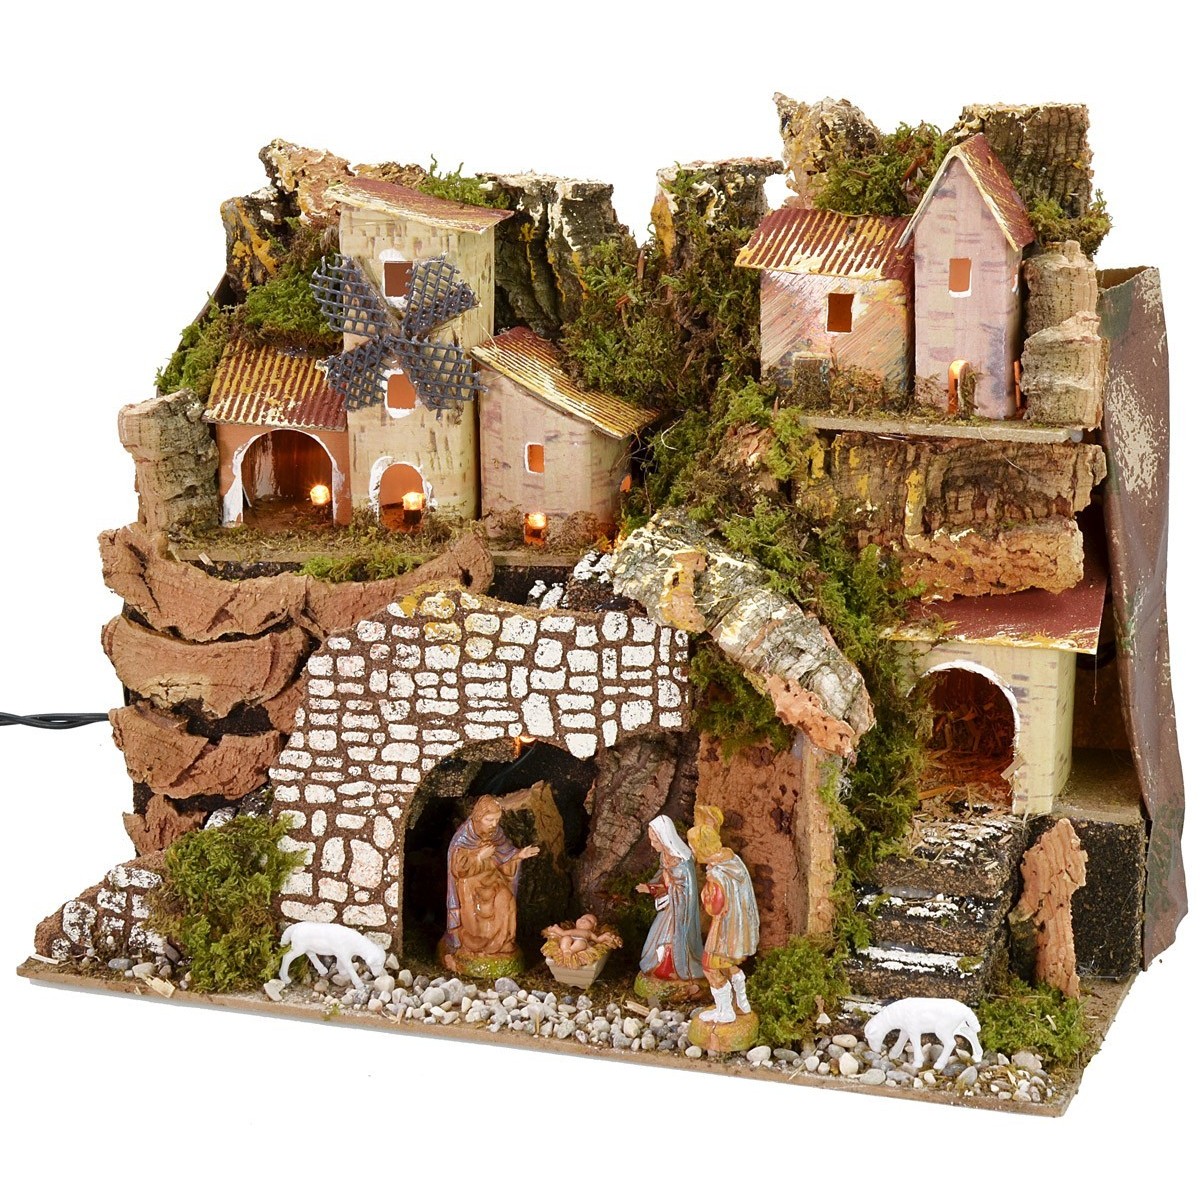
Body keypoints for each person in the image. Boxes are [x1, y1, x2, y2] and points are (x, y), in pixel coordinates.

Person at [442, 796, 539, 970]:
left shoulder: (496, 833)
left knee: (507, 899)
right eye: (489, 820)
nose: (494, 824)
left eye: (496, 820)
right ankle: (475, 943)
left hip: (493, 879)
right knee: (474, 910)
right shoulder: (463, 837)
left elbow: (505, 854)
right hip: (470, 884)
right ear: (478, 817)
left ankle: (502, 943)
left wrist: (519, 855)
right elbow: (458, 870)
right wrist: (479, 857)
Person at [687, 806, 760, 1024]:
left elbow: (715, 907)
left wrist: (704, 894)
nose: (691, 849)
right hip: (736, 928)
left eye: (692, 845)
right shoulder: (731, 861)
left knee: (710, 966)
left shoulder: (717, 875)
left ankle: (725, 1010)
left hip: (723, 928)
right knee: (725, 963)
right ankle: (742, 1003)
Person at [636, 815, 705, 983]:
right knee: (655, 938)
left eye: (655, 841)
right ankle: (657, 966)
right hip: (668, 907)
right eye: (651, 840)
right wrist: (652, 885)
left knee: (671, 937)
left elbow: (682, 890)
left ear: (665, 839)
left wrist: (652, 889)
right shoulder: (665, 856)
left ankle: (674, 970)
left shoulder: (682, 863)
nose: (652, 845)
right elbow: (662, 875)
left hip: (679, 911)